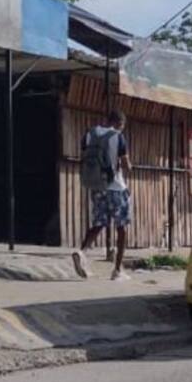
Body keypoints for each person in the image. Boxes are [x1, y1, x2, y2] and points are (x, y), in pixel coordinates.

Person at [73, 110, 133, 281]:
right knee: (121, 227)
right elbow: (125, 164)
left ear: (107, 120)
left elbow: (84, 157)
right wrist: (130, 167)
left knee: (99, 222)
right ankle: (118, 270)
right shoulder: (118, 136)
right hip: (116, 188)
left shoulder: (90, 134)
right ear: (120, 124)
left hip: (97, 186)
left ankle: (81, 251)